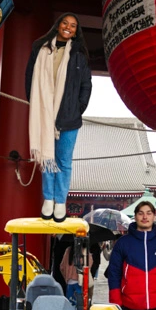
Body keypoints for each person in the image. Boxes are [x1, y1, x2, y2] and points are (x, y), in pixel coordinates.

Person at [24, 12, 91, 221]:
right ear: (58, 24)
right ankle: (48, 199)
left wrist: (77, 108)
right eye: (65, 23)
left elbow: (86, 85)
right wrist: (37, 105)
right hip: (44, 113)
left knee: (63, 160)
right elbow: (29, 78)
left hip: (69, 117)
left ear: (75, 31)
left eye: (73, 25)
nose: (68, 27)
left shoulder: (79, 54)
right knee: (46, 158)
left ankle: (60, 200)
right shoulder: (40, 48)